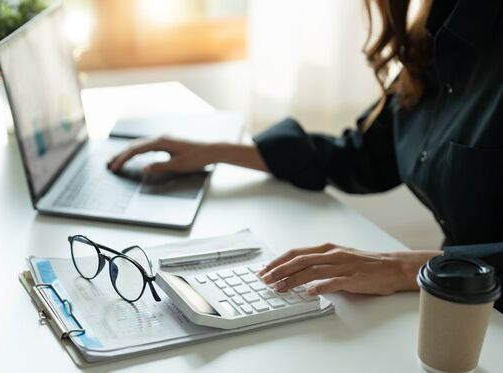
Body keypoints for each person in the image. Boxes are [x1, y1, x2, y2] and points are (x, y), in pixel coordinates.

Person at [108, 0, 503, 311]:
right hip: (460, 312)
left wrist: (407, 267)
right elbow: (365, 156)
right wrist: (218, 152)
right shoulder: (441, 29)